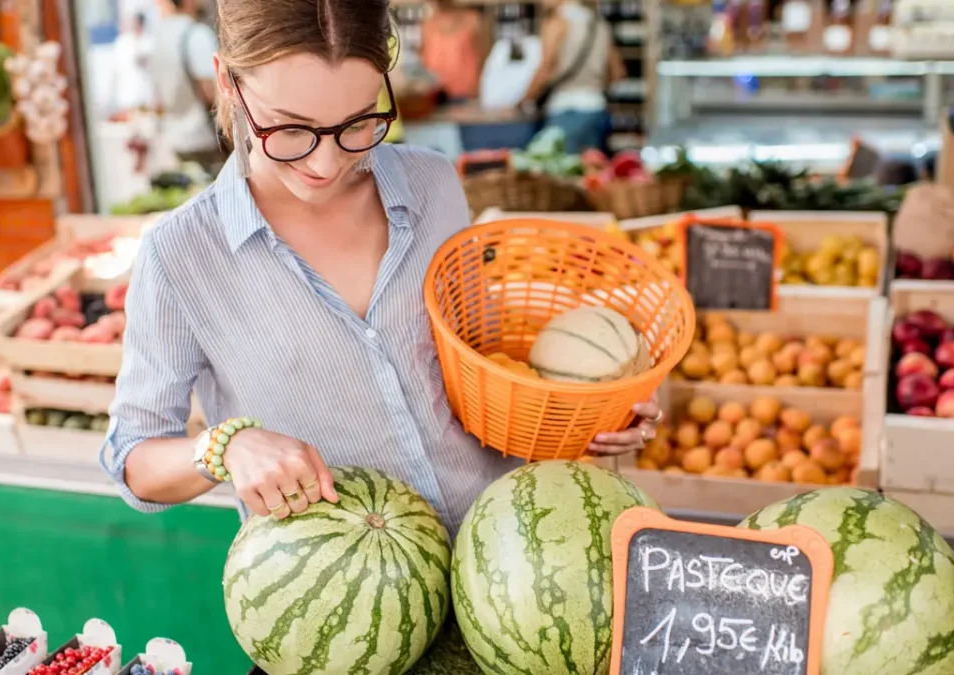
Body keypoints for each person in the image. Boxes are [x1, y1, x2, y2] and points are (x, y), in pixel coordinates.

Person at [99, 0, 663, 536]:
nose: (327, 162)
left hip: (506, 555)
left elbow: (486, 370)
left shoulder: (433, 187)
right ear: (228, 82)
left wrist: (584, 411)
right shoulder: (181, 255)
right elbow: (134, 460)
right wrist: (224, 447)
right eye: (289, 129)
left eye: (358, 122)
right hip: (345, 614)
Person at [522, 0, 624, 154]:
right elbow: (618, 73)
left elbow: (546, 68)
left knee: (557, 171)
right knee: (590, 169)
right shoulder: (599, 24)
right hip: (596, 109)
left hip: (565, 110)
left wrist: (525, 100)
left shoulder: (557, 22)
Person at [150, 0, 226, 170]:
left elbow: (157, 100)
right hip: (204, 140)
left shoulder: (158, 38)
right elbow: (210, 91)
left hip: (175, 139)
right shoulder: (195, 34)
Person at [421, 0, 488, 103]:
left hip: (467, 95)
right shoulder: (428, 24)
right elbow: (423, 60)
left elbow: (486, 58)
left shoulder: (473, 20)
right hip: (436, 96)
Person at [107, 13, 154, 116]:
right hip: (127, 95)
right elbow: (115, 69)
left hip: (145, 96)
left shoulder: (149, 41)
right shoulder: (123, 42)